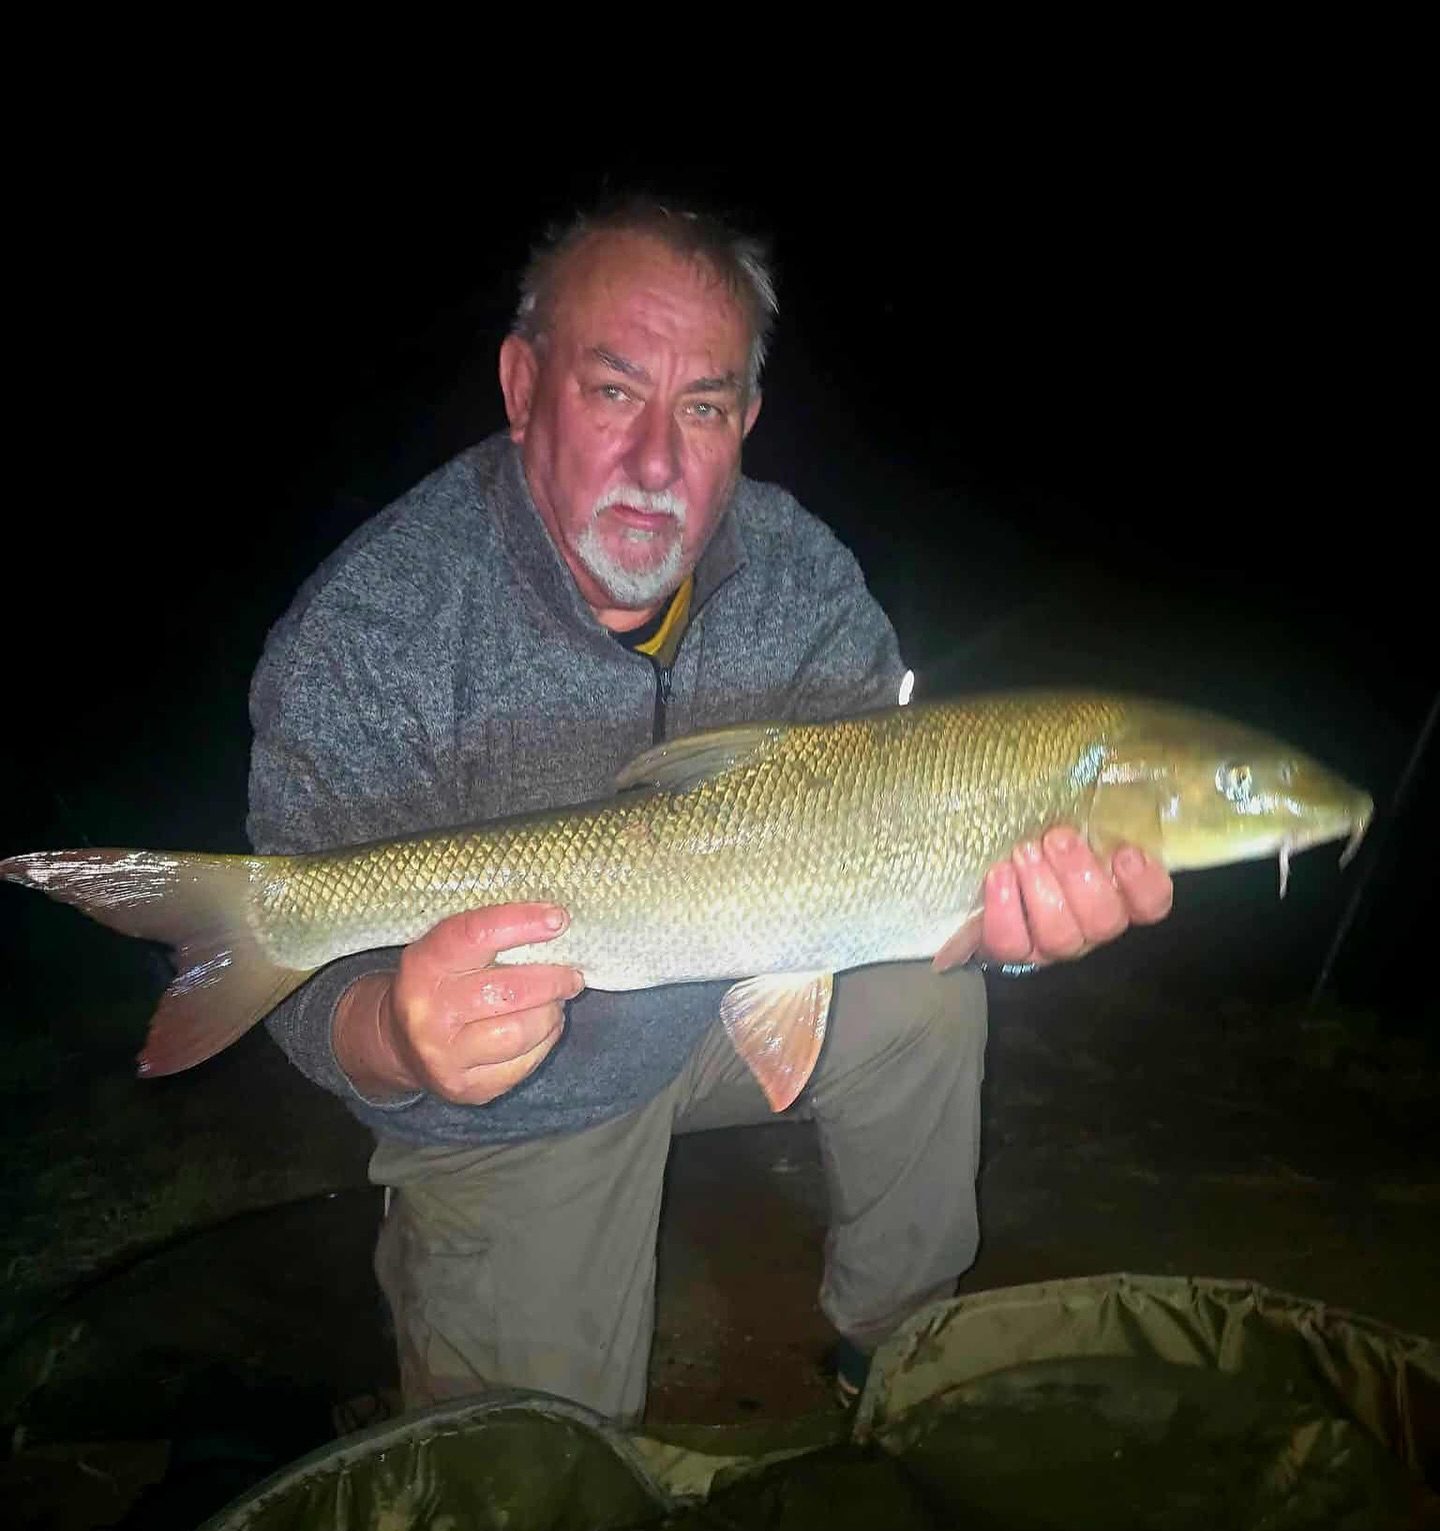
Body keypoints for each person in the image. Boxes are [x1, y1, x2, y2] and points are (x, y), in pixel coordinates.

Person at [248, 198, 1174, 1423]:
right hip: (520, 1081)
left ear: (744, 420)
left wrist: (1006, 931)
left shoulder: (801, 578)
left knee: (928, 994)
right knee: (536, 1467)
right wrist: (396, 1035)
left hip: (741, 1004)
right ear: (524, 386)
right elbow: (303, 979)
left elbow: (914, 831)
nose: (655, 464)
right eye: (613, 392)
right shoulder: (374, 631)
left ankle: (897, 1343)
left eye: (702, 408)